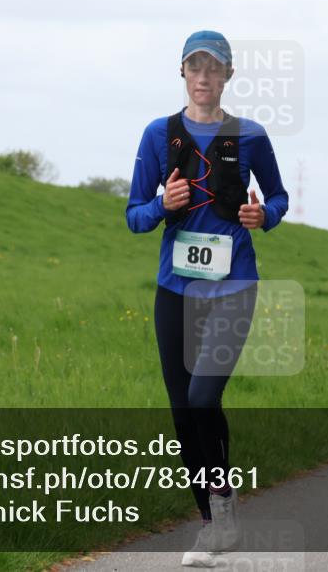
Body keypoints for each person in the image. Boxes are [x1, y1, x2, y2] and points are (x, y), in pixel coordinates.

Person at [126, 31, 289, 567]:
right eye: (195, 68)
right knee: (181, 411)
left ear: (228, 75)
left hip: (233, 285)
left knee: (202, 398)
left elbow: (279, 197)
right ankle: (212, 523)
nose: (203, 77)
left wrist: (263, 215)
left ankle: (222, 508)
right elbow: (134, 216)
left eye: (213, 68)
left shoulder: (251, 135)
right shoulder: (158, 134)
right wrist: (163, 206)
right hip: (175, 290)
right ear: (182, 74)